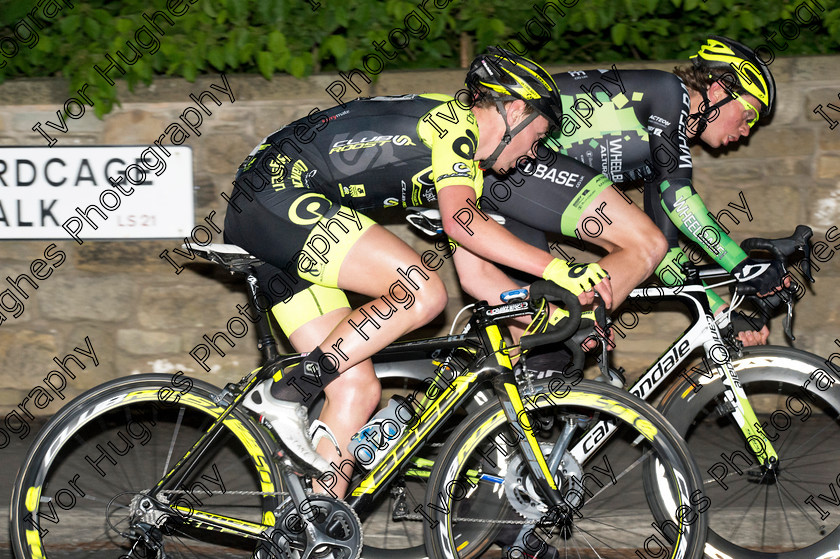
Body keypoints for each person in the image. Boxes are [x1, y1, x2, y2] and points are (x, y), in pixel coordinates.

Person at [221, 49, 612, 492]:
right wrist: (559, 269)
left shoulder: (464, 174)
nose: (532, 153)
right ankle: (287, 392)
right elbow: (462, 222)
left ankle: (316, 526)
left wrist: (548, 314)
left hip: (275, 222)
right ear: (515, 110)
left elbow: (478, 278)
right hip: (274, 192)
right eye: (537, 136)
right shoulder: (455, 125)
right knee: (419, 291)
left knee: (355, 390)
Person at [460, 36, 785, 353]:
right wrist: (744, 266)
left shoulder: (662, 148)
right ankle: (576, 324)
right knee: (575, 322)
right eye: (749, 115)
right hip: (507, 164)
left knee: (548, 353)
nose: (747, 131)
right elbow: (678, 198)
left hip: (509, 186)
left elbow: (665, 256)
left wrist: (722, 313)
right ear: (719, 90)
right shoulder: (669, 92)